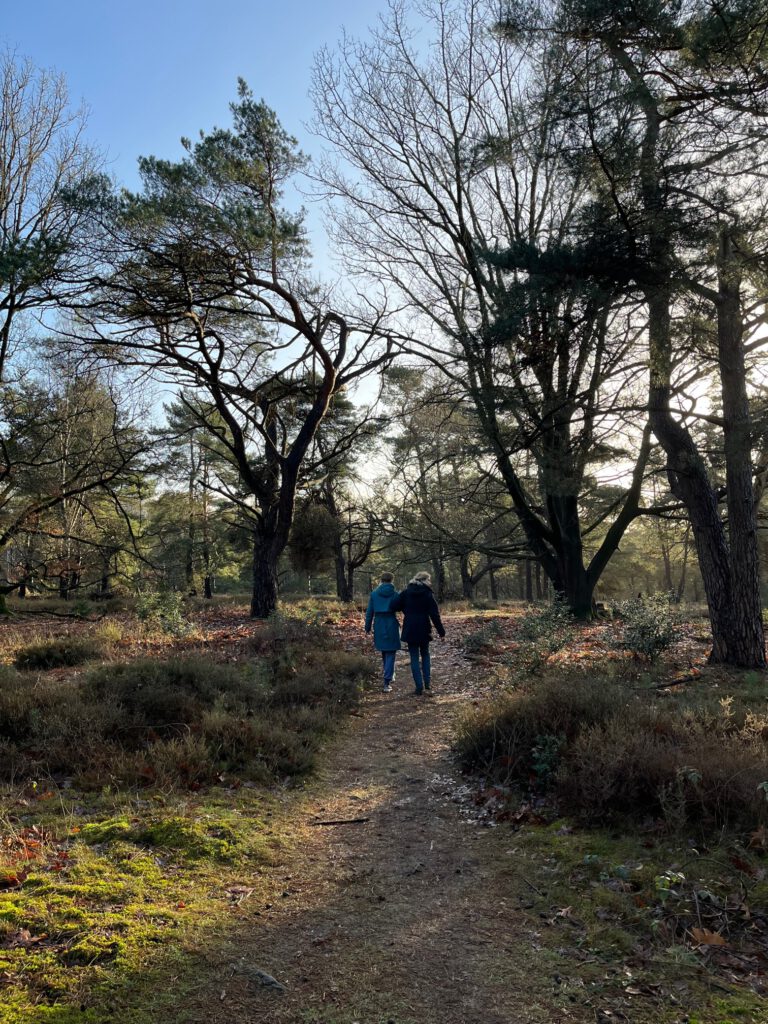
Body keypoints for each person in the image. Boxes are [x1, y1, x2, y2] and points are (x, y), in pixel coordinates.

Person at [390, 571, 445, 696]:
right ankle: (427, 683)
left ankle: (418, 686)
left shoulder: (406, 592)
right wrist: (441, 632)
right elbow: (435, 615)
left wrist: (405, 608)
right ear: (426, 580)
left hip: (410, 627)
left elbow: (393, 606)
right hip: (424, 627)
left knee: (414, 657)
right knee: (425, 654)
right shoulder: (428, 594)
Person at [364, 572, 401, 692]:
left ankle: (388, 675)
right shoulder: (395, 594)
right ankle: (387, 681)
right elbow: (400, 608)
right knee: (390, 651)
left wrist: (367, 627)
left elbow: (369, 612)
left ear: (381, 580)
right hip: (391, 622)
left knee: (385, 651)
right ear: (391, 580)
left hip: (379, 623)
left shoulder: (374, 594)